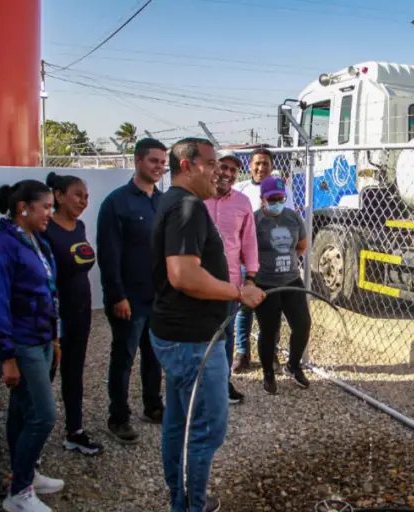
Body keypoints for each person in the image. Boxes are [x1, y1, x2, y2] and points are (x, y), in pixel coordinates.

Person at [149, 138, 265, 512]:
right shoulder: (186, 207)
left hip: (180, 335)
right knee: (206, 430)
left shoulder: (174, 202)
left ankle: (181, 499)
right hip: (193, 343)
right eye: (211, 163)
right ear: (187, 166)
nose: (218, 171)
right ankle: (191, 505)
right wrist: (237, 292)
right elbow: (183, 275)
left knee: (179, 422)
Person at [0, 180, 64, 512]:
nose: (51, 214)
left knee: (23, 409)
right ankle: (19, 493)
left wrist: (54, 338)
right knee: (43, 415)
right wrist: (7, 356)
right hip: (19, 344)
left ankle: (26, 472)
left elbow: (47, 292)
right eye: (46, 207)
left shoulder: (34, 242)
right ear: (23, 207)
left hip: (39, 340)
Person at [97, 138, 167, 444]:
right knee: (123, 358)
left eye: (163, 162)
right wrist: (117, 296)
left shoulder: (163, 202)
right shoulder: (117, 203)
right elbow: (108, 254)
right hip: (129, 299)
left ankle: (153, 407)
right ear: (138, 161)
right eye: (154, 161)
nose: (159, 167)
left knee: (154, 356)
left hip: (159, 298)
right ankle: (119, 416)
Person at [43, 172, 103, 456]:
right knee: (46, 373)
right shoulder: (45, 229)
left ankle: (74, 430)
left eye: (87, 196)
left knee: (74, 371)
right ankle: (33, 439)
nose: (84, 201)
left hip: (81, 310)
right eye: (78, 195)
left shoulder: (78, 227)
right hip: (55, 315)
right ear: (58, 196)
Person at [232, 148, 295, 373]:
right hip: (244, 260)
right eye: (257, 163)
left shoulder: (283, 189)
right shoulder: (239, 190)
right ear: (249, 166)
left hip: (271, 261)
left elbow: (289, 221)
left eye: (265, 163)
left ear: (271, 166)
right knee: (244, 307)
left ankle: (271, 353)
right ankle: (242, 352)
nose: (261, 168)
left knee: (272, 308)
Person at [203, 150, 259, 404]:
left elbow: (248, 241)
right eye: (223, 167)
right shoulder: (197, 198)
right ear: (214, 167)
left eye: (233, 170)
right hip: (199, 281)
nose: (227, 174)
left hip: (231, 282)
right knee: (200, 336)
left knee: (225, 337)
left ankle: (223, 384)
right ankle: (199, 387)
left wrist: (251, 275)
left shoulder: (242, 202)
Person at [253, 176, 311, 395]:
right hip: (265, 283)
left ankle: (293, 365)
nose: (277, 202)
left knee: (303, 324)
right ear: (263, 199)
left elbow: (301, 245)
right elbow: (247, 251)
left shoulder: (293, 217)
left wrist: (286, 262)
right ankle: (268, 372)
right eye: (272, 198)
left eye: (281, 198)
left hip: (291, 281)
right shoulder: (255, 220)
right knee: (268, 330)